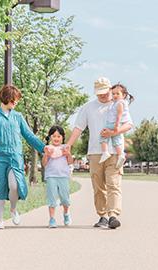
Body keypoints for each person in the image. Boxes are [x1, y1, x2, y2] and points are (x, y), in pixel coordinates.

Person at [0, 85, 45, 229]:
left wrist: (44, 148)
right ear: (6, 98)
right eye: (14, 100)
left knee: (14, 185)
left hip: (15, 157)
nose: (16, 103)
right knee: (0, 186)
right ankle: (0, 220)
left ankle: (13, 209)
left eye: (17, 101)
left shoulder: (18, 117)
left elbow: (29, 136)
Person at [66, 77, 133, 229]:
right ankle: (102, 215)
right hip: (96, 152)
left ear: (110, 89)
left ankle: (113, 215)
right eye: (99, 93)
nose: (102, 95)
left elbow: (128, 124)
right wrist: (69, 145)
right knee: (98, 186)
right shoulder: (88, 107)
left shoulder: (119, 104)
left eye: (105, 92)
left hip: (115, 152)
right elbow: (78, 128)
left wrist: (113, 132)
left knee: (113, 184)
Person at [42, 126, 73, 228]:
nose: (56, 138)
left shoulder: (65, 148)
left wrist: (68, 154)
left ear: (62, 137)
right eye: (54, 136)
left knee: (65, 199)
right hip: (51, 176)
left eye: (58, 136)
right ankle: (52, 219)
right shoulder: (48, 148)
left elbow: (70, 162)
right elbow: (44, 164)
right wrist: (46, 155)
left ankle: (66, 214)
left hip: (63, 176)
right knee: (52, 199)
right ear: (50, 137)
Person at [99, 84, 134, 168]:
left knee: (103, 136)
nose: (115, 95)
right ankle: (121, 154)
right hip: (114, 124)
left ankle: (105, 152)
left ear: (124, 95)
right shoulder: (117, 102)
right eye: (113, 94)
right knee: (116, 141)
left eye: (117, 94)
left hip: (112, 123)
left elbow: (119, 115)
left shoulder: (119, 103)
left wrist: (117, 126)